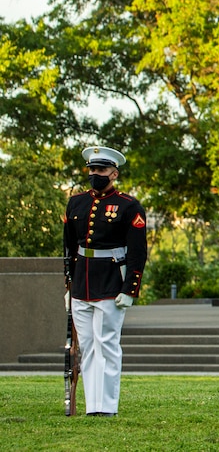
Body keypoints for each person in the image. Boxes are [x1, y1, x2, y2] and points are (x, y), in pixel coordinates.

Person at [62, 145, 148, 417]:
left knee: (107, 343)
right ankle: (92, 405)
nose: (95, 174)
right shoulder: (76, 202)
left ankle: (107, 406)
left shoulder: (128, 205)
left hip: (112, 279)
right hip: (82, 281)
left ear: (114, 173)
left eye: (100, 170)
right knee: (87, 345)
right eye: (91, 169)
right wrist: (68, 283)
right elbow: (68, 248)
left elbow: (137, 252)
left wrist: (131, 288)